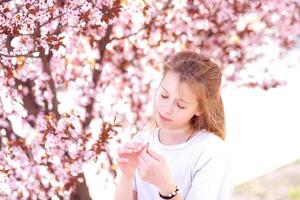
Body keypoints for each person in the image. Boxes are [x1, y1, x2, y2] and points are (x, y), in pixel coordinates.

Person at [114, 51, 233, 200]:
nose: (167, 109)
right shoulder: (141, 142)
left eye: (180, 105)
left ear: (200, 108)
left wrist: (166, 186)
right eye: (164, 95)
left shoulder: (209, 150)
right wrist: (127, 175)